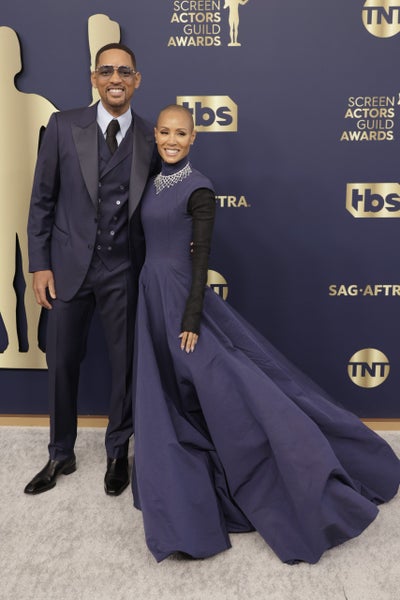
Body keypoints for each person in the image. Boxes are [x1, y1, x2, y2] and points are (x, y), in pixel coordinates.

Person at [131, 104, 400, 564]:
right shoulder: (152, 181)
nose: (172, 140)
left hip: (180, 297)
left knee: (230, 387)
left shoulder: (199, 187)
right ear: (155, 134)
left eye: (182, 133)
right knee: (168, 394)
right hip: (149, 293)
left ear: (194, 138)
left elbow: (201, 259)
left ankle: (303, 465)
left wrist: (192, 318)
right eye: (165, 132)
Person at [25, 43, 159, 496]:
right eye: (107, 71)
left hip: (124, 268)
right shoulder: (63, 126)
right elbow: (41, 200)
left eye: (125, 71)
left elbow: (161, 205)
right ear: (94, 78)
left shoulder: (149, 136)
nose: (115, 78)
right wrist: (39, 266)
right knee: (61, 362)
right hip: (66, 269)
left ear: (137, 80)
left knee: (124, 367)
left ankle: (118, 451)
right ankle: (60, 453)